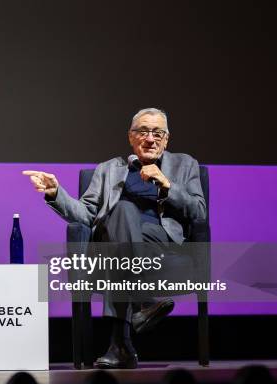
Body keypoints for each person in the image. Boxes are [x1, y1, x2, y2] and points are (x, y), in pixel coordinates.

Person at [24, 108, 206, 368]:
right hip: (110, 240)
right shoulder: (108, 169)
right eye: (143, 131)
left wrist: (167, 185)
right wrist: (56, 193)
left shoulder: (184, 164)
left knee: (118, 251)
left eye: (157, 133)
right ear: (131, 137)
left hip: (159, 242)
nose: (150, 138)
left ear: (167, 139)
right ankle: (143, 301)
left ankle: (121, 345)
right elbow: (86, 215)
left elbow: (199, 212)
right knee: (122, 211)